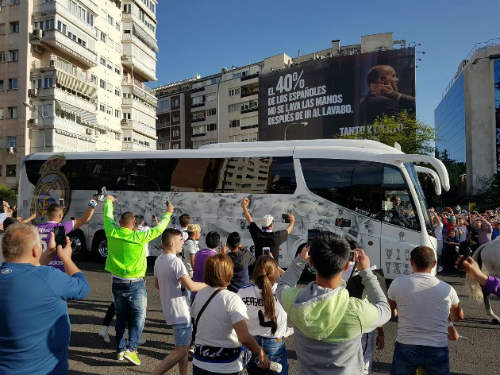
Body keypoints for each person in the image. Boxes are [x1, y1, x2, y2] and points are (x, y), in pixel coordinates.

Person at [276, 231, 390, 375]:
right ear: (347, 265)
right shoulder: (356, 311)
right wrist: (366, 272)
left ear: (311, 263)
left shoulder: (295, 300)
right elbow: (385, 309)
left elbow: (282, 285)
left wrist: (299, 261)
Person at [0, 223, 89, 374]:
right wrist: (66, 259)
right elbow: (82, 287)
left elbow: (23, 274)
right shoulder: (49, 277)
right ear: (35, 250)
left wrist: (46, 255)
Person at [104, 195, 173, 366]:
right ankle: (132, 349)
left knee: (120, 317)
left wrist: (108, 202)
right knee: (139, 317)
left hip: (117, 282)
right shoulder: (139, 237)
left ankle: (120, 350)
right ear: (134, 224)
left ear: (120, 223)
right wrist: (168, 213)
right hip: (136, 283)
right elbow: (160, 229)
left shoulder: (111, 231)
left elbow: (107, 216)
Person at [388, 246, 463, 375]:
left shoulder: (397, 283)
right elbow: (458, 316)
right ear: (434, 264)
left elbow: (391, 311)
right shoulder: (448, 289)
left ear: (411, 262)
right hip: (437, 348)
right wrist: (449, 319)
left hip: (406, 345)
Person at [191, 253, 270, 374]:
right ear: (229, 273)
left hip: (200, 363)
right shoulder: (232, 299)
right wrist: (260, 352)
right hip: (225, 366)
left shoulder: (200, 295)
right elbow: (244, 338)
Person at [152, 229, 206, 375]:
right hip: (180, 311)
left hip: (170, 310)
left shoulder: (159, 260)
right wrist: (210, 285)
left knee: (183, 346)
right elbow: (192, 286)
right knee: (181, 350)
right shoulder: (176, 262)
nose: (183, 242)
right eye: (180, 240)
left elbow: (157, 284)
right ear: (171, 243)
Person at [238, 255, 289, 375]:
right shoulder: (284, 291)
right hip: (275, 343)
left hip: (252, 344)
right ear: (275, 273)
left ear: (255, 273)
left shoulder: (242, 291)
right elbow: (290, 278)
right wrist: (278, 268)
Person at [37, 196, 98, 271]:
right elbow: (86, 218)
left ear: (48, 214)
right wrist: (94, 201)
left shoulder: (37, 228)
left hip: (41, 268)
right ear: (60, 215)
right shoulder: (61, 228)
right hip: (57, 269)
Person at [192, 231, 222, 300]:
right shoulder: (216, 257)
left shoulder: (198, 253)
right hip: (208, 296)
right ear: (218, 243)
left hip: (195, 293)